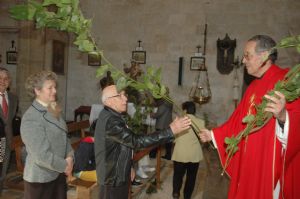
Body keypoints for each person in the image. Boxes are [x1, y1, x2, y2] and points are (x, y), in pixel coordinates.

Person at [199, 35, 300, 199]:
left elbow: (297, 122)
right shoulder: (253, 86)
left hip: (268, 166)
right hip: (250, 163)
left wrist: (283, 117)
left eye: (248, 55)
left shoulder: (286, 81)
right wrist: (213, 135)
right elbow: (238, 120)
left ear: (265, 56)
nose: (244, 61)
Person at [94, 75, 191, 199]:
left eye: (125, 94)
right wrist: (170, 130)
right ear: (108, 101)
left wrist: (128, 167)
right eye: (120, 96)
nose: (125, 99)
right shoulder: (111, 121)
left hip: (117, 173)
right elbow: (136, 141)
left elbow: (124, 145)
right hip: (112, 179)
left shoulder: (113, 115)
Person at [20, 71, 74, 199]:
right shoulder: (31, 117)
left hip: (58, 174)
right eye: (50, 88)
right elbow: (41, 155)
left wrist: (70, 156)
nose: (54, 91)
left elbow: (63, 136)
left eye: (55, 87)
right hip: (40, 179)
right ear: (37, 91)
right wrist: (65, 165)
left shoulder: (52, 108)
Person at [172, 101, 205, 199]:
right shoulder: (201, 122)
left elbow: (174, 138)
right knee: (191, 177)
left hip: (180, 153)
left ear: (185, 110)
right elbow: (203, 139)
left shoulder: (179, 121)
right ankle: (187, 196)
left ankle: (176, 193)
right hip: (194, 155)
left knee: (178, 175)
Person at [0, 67, 18, 194]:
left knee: (4, 161)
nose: (2, 81)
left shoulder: (13, 98)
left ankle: (1, 184)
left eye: (5, 79)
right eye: (0, 78)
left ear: (9, 81)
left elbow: (10, 120)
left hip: (8, 136)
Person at [149, 94, 173, 160]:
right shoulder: (169, 101)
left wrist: (152, 115)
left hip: (161, 124)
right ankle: (168, 155)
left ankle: (152, 154)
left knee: (157, 140)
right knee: (168, 141)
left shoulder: (164, 103)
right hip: (167, 123)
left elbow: (159, 113)